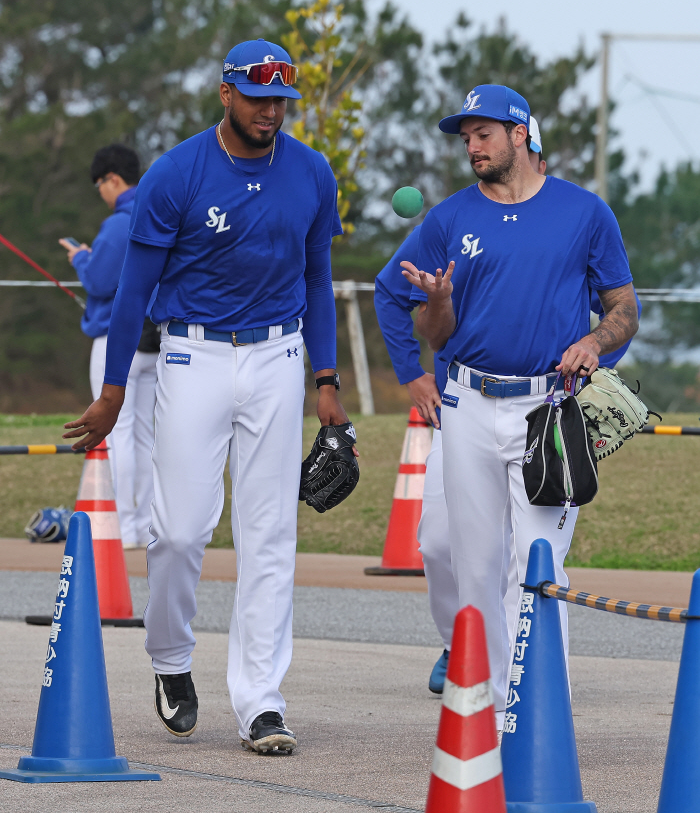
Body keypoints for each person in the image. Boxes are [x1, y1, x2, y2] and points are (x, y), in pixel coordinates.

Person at [63, 39, 351, 754]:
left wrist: (327, 379)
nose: (269, 111)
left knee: (270, 535)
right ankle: (170, 661)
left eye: (281, 99)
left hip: (279, 355)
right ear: (226, 93)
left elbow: (319, 279)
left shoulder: (312, 171)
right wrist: (111, 392)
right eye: (257, 97)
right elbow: (132, 289)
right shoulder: (177, 173)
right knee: (182, 529)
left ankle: (262, 701)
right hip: (192, 352)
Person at [401, 85, 639, 729]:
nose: (471, 146)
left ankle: (538, 717)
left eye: (483, 133)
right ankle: (486, 714)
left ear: (520, 134)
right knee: (474, 570)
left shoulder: (584, 212)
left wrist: (594, 340)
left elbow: (625, 308)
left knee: (537, 566)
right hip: (470, 404)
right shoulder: (450, 218)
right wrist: (439, 300)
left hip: (549, 412)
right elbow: (436, 334)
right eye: (465, 136)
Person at [59, 145, 159, 549]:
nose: (101, 191)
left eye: (100, 184)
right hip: (155, 342)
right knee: (149, 437)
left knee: (119, 436)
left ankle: (124, 528)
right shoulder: (157, 211)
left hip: (118, 344)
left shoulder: (118, 225)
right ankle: (149, 527)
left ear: (113, 179)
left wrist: (83, 259)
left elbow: (99, 281)